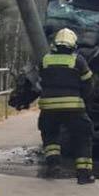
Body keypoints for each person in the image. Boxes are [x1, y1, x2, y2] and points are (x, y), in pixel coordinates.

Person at [38, 28, 94, 184]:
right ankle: (84, 175)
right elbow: (88, 85)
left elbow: (41, 81)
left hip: (48, 108)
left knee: (50, 136)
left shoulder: (45, 59)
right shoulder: (78, 60)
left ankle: (53, 166)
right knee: (82, 138)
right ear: (73, 44)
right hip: (73, 108)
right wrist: (86, 102)